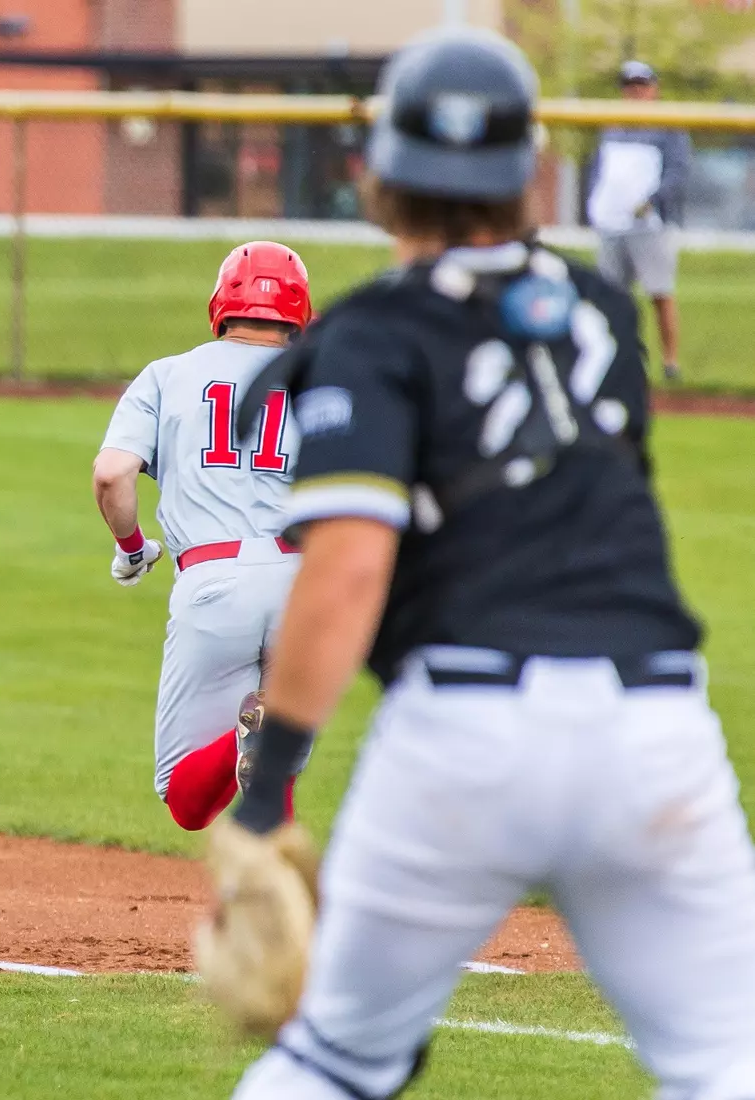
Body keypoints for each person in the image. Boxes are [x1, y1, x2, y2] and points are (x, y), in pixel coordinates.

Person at [223, 29, 755, 1098]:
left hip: (462, 740)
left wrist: (268, 784)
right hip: (657, 736)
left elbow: (350, 568)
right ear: (528, 170)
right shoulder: (605, 317)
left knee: (333, 1059)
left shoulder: (371, 334)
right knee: (728, 1064)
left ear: (374, 176)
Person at [92, 242, 312, 832]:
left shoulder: (169, 374)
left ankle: (253, 731)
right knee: (276, 777)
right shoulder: (322, 379)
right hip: (302, 584)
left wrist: (133, 548)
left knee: (186, 799)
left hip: (214, 586)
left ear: (221, 304)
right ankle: (282, 919)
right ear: (299, 311)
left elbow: (112, 474)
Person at [586, 60, 691, 382]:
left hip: (650, 226)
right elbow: (598, 172)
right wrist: (596, 205)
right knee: (612, 296)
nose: (635, 91)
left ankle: (670, 363)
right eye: (629, 85)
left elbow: (679, 172)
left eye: (641, 85)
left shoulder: (668, 126)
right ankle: (618, 359)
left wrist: (651, 202)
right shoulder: (612, 125)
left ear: (654, 88)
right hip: (612, 225)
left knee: (660, 293)